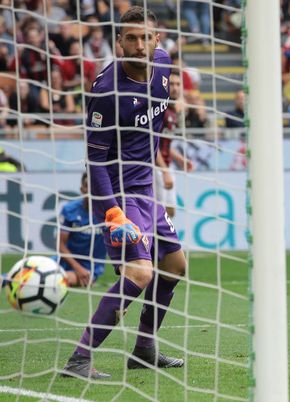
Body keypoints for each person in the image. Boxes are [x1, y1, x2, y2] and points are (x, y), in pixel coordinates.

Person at [62, 6, 186, 379]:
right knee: (140, 273)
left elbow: (155, 129)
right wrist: (112, 212)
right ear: (119, 42)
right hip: (118, 192)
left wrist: (161, 168)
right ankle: (80, 359)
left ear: (156, 39)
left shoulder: (163, 66)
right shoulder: (106, 91)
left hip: (146, 187)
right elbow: (95, 161)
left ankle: (144, 349)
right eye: (129, 38)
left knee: (175, 267)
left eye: (144, 37)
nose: (137, 45)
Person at [156, 70, 194, 218]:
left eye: (178, 84)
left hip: (166, 165)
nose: (175, 88)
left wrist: (180, 159)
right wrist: (165, 171)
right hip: (155, 167)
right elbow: (152, 143)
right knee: (159, 214)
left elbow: (165, 143)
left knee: (170, 212)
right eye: (171, 84)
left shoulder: (172, 112)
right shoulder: (159, 111)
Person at [58, 172, 107, 287]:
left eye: (95, 185)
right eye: (88, 185)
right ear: (82, 189)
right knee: (30, 270)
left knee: (61, 280)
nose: (91, 189)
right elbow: (60, 244)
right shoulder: (69, 210)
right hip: (65, 260)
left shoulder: (108, 212)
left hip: (89, 268)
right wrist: (76, 267)